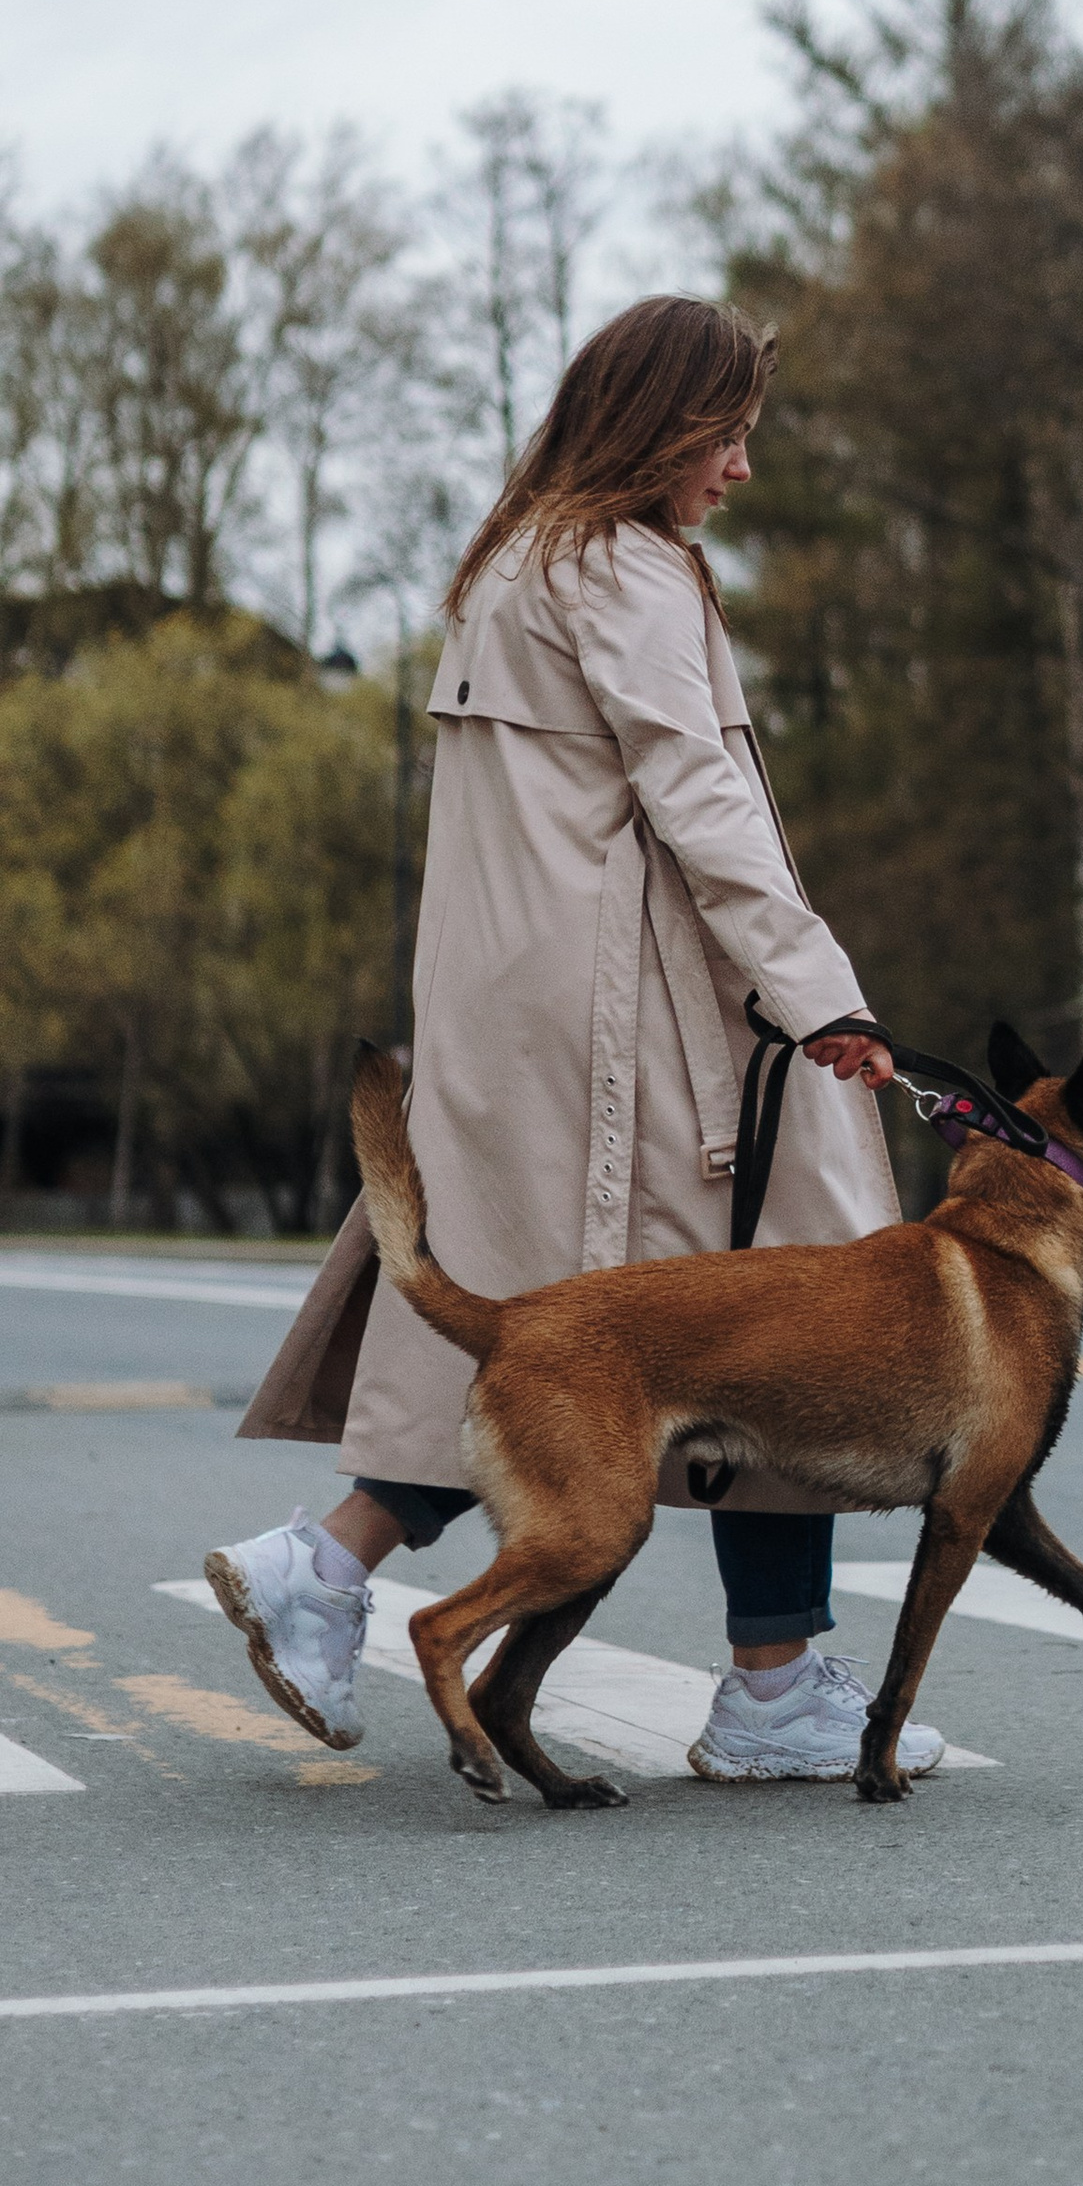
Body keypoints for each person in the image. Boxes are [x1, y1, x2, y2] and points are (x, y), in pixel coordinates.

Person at [208, 294, 944, 1785]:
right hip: (642, 1030)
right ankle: (775, 1687)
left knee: (526, 1330)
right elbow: (699, 792)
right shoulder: (625, 565)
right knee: (779, 1317)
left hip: (511, 1019)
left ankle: (327, 1564)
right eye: (726, 436)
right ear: (662, 426)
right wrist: (822, 992)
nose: (740, 468)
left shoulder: (514, 560)